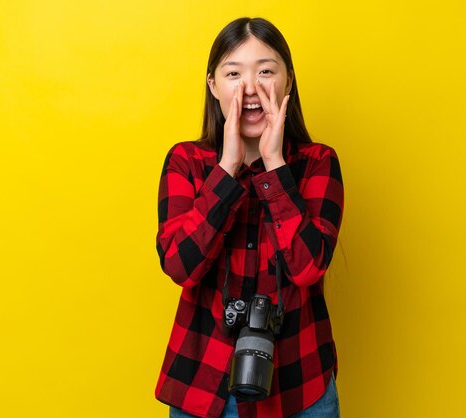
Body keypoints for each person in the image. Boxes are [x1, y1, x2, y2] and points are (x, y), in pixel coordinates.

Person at [155, 17, 344, 418]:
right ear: (213, 86)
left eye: (265, 71)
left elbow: (308, 267)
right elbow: (179, 266)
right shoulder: (186, 162)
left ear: (288, 82)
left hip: (299, 386)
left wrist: (275, 165)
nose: (250, 88)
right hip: (202, 386)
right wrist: (226, 167)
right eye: (234, 73)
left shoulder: (317, 163)